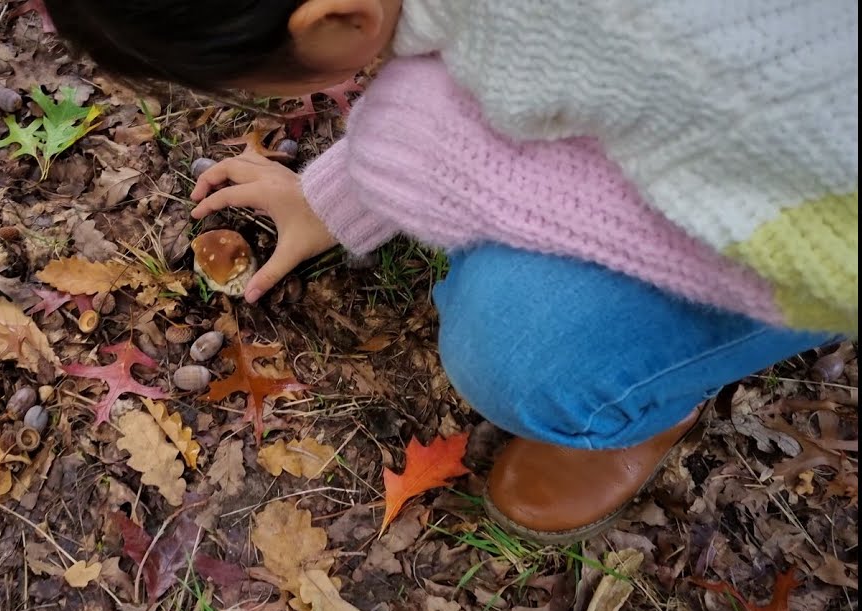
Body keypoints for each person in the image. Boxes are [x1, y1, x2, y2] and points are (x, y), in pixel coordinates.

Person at [42, 0, 859, 542]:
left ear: (334, 16)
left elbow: (829, 257)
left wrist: (417, 158)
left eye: (255, 82)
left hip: (824, 207)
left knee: (526, 349)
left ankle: (638, 403)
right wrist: (347, 189)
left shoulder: (682, 55)